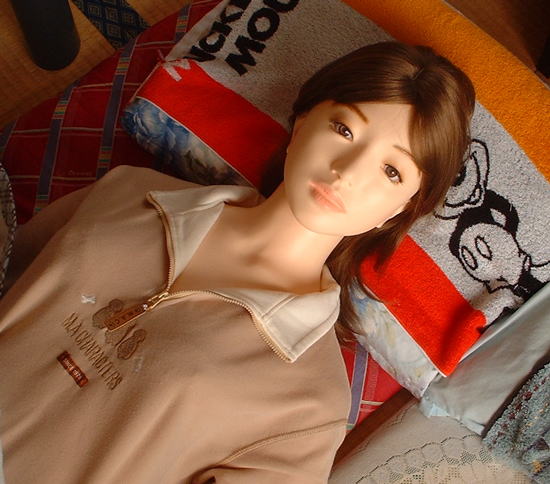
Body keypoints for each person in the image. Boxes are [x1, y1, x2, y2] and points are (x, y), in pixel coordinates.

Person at [0, 41, 474, 483]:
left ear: (400, 211)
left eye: (392, 171)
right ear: (302, 121)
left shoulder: (309, 404)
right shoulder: (129, 191)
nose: (347, 172)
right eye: (344, 129)